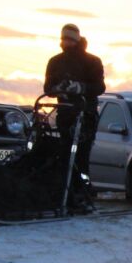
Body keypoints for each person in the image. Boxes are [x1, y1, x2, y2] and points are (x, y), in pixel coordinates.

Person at [43, 24, 105, 211]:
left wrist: (81, 88)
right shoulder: (55, 61)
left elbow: (100, 87)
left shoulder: (92, 61)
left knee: (81, 157)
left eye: (69, 39)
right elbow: (47, 89)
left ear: (77, 40)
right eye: (64, 39)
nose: (66, 42)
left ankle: (81, 195)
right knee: (63, 156)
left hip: (85, 115)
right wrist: (59, 88)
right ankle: (63, 195)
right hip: (65, 114)